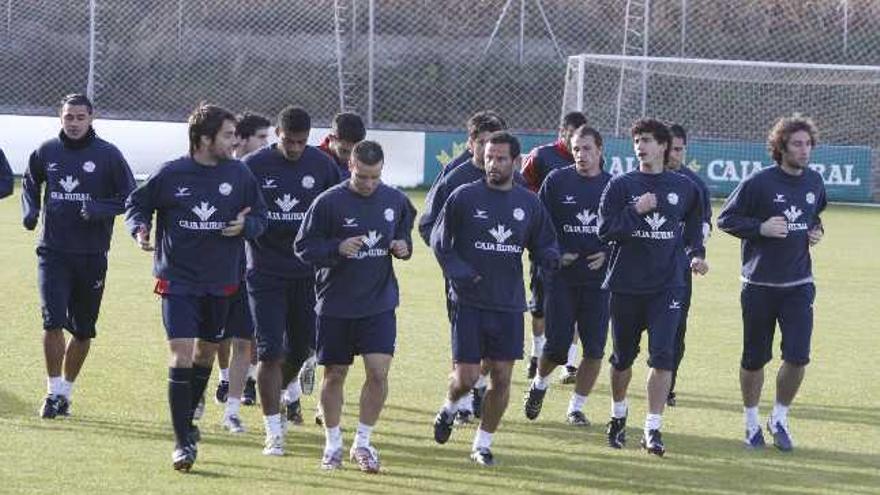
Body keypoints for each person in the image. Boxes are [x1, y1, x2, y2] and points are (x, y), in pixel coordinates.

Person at [125, 103, 267, 471]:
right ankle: (182, 442)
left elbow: (262, 218)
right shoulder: (172, 173)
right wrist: (139, 228)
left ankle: (187, 417)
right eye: (228, 136)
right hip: (178, 279)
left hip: (221, 281)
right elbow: (137, 204)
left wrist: (246, 228)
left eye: (235, 135)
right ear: (204, 139)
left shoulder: (240, 175)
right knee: (181, 354)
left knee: (206, 354)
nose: (234, 142)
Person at [430, 131, 560, 466]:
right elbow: (440, 243)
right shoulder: (463, 197)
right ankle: (449, 406)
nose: (493, 164)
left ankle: (482, 444)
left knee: (502, 375)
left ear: (516, 162)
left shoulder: (529, 203)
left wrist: (551, 257)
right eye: (489, 157)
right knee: (467, 378)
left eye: (501, 158)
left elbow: (545, 242)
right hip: (470, 301)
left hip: (508, 303)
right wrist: (462, 274)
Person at [294, 140, 416, 473]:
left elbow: (406, 226)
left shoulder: (394, 199)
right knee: (335, 375)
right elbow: (303, 247)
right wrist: (337, 246)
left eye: (375, 177)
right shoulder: (328, 203)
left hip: (378, 303)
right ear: (351, 166)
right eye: (363, 176)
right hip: (335, 304)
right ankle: (332, 444)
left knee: (378, 373)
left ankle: (362, 443)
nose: (369, 184)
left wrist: (403, 245)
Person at [21, 93, 135, 419]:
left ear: (90, 119)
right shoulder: (47, 151)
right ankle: (52, 392)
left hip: (92, 254)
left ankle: (66, 392)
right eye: (68, 117)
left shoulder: (108, 155)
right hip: (53, 251)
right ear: (61, 117)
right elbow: (30, 182)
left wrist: (100, 208)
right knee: (52, 321)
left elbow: (130, 198)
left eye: (80, 117)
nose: (73, 123)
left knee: (83, 331)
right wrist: (32, 211)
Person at [598, 118, 707, 457]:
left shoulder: (685, 187)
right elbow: (605, 230)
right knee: (622, 360)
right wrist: (635, 210)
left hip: (667, 287)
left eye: (646, 140)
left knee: (663, 358)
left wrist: (696, 256)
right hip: (626, 285)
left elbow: (694, 230)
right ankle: (618, 417)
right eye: (637, 141)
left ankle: (652, 428)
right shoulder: (620, 185)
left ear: (663, 146)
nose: (640, 146)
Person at [717, 115, 826, 452]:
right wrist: (760, 228)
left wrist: (817, 231)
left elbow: (815, 216)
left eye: (808, 144)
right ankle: (751, 422)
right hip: (759, 285)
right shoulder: (759, 182)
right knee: (754, 359)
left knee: (798, 357)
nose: (804, 150)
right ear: (780, 147)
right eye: (797, 143)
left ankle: (779, 417)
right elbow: (726, 219)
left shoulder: (814, 182)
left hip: (799, 284)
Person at [243, 106, 341, 456]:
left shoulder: (322, 165)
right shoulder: (253, 166)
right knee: (271, 352)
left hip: (307, 274)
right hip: (264, 273)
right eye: (289, 141)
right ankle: (273, 431)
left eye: (301, 142)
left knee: (300, 350)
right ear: (277, 134)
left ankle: (283, 394)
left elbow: (338, 208)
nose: (296, 148)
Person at [419, 110, 508, 424]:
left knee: (492, 346)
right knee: (465, 342)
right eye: (482, 142)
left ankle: (478, 386)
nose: (488, 151)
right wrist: (454, 263)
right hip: (463, 280)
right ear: (470, 143)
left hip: (500, 279)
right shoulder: (454, 176)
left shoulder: (510, 177)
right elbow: (428, 225)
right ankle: (464, 401)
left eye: (494, 143)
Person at [523, 125, 612, 426]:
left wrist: (608, 254)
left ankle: (576, 407)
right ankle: (539, 385)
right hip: (561, 278)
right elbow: (539, 226)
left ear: (599, 150)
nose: (581, 155)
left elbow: (624, 232)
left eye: (587, 148)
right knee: (557, 347)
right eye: (576, 149)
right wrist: (555, 254)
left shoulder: (613, 186)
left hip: (599, 282)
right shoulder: (557, 181)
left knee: (595, 348)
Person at [212, 111, 272, 430]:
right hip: (222, 266)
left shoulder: (257, 173)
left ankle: (243, 384)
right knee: (218, 334)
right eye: (261, 138)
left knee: (247, 333)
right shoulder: (226, 171)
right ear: (242, 139)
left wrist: (250, 224)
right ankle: (226, 379)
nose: (267, 144)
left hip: (256, 265)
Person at [521, 111, 589, 382]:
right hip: (544, 243)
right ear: (563, 132)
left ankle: (570, 364)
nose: (580, 150)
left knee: (574, 304)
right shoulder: (540, 157)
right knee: (539, 307)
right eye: (574, 139)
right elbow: (522, 189)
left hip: (577, 244)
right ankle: (537, 353)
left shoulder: (591, 160)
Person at [665, 123, 713, 407]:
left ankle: (667, 385)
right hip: (639, 269)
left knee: (676, 330)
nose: (675, 154)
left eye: (680, 149)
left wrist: (697, 254)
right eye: (671, 148)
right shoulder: (636, 181)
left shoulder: (695, 185)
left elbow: (703, 225)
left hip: (679, 271)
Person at [318, 112, 366, 180]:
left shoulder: (363, 162)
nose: (349, 158)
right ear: (331, 138)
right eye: (344, 151)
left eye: (354, 152)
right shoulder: (313, 159)